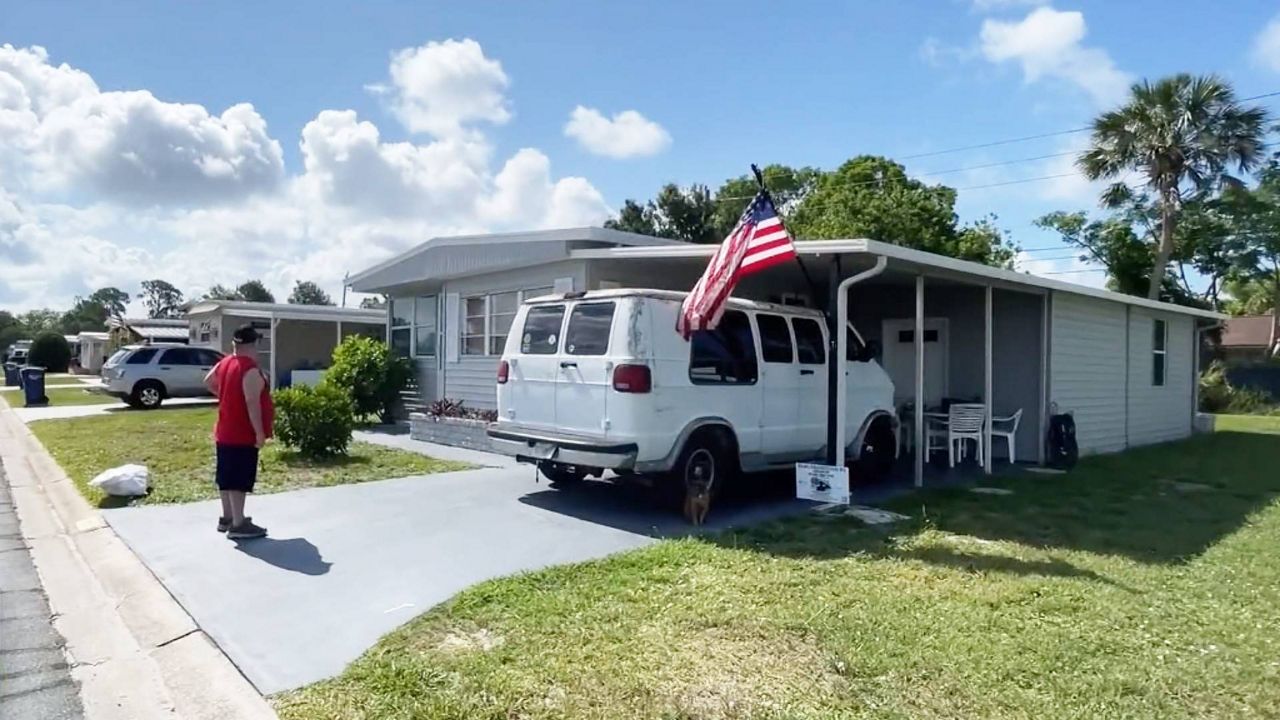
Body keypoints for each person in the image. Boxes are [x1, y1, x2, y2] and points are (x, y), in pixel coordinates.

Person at [204, 325, 274, 539]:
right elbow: (252, 403)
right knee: (239, 479)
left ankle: (227, 518)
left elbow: (208, 382)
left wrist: (225, 396)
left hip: (224, 430)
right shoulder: (249, 369)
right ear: (253, 344)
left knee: (226, 476)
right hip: (241, 433)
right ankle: (238, 524)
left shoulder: (224, 363)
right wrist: (259, 433)